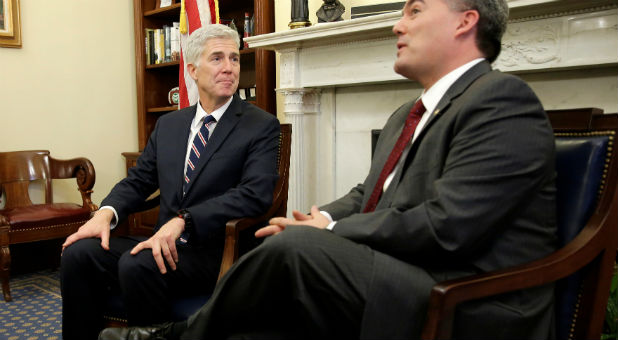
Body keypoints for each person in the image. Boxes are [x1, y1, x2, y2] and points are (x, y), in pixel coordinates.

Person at [100, 0, 558, 339]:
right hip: (407, 272)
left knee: (294, 252)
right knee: (285, 251)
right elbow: (367, 193)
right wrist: (322, 217)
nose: (398, 23)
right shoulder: (408, 113)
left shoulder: (501, 99)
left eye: (415, 10)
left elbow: (450, 226)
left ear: (465, 20)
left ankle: (170, 338)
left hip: (468, 297)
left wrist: (328, 232)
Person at [60, 24, 280, 340]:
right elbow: (138, 181)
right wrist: (106, 213)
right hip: (162, 243)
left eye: (234, 58)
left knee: (139, 265)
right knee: (79, 253)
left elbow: (254, 195)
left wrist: (184, 221)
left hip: (215, 250)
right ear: (192, 69)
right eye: (217, 58)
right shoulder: (170, 125)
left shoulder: (260, 125)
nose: (229, 67)